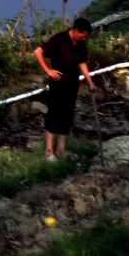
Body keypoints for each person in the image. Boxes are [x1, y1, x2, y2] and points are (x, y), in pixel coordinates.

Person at [34, 17, 97, 160]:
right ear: (75, 30)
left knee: (67, 114)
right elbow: (38, 52)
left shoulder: (80, 45)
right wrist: (48, 70)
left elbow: (82, 63)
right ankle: (48, 151)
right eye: (83, 35)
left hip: (72, 82)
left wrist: (90, 82)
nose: (84, 38)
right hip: (58, 82)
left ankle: (61, 148)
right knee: (54, 113)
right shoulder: (59, 39)